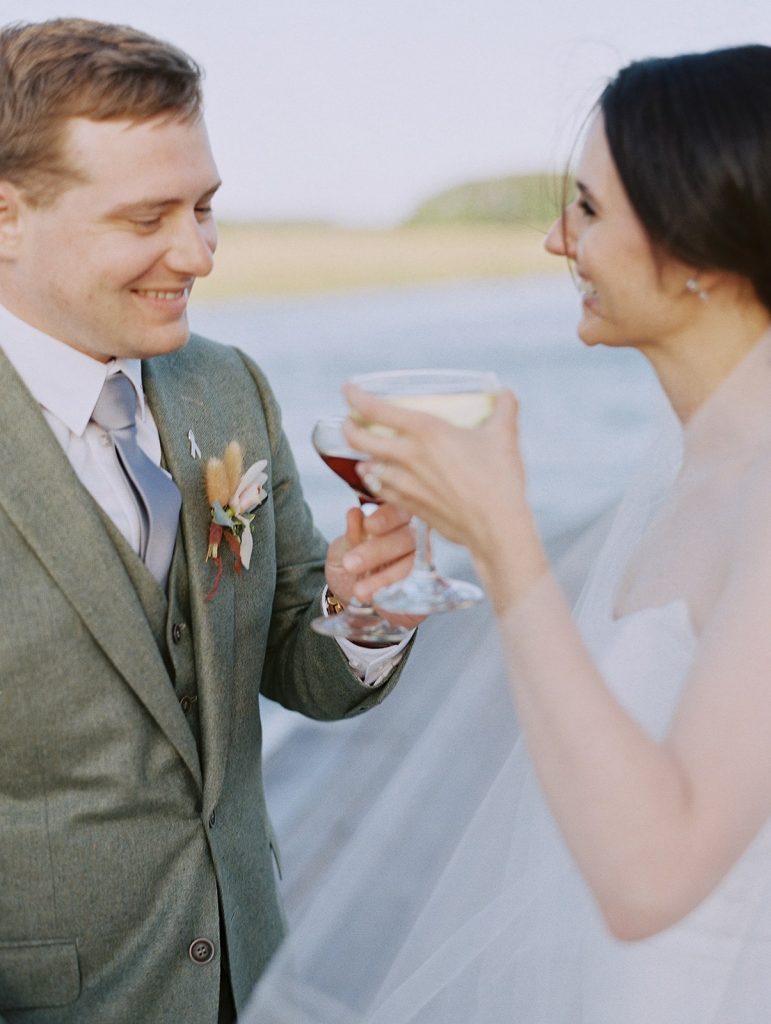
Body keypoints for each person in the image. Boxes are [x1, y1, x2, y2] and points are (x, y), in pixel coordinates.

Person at [242, 45, 771, 1022]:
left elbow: (654, 878)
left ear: (697, 247)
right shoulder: (691, 476)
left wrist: (504, 540)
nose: (555, 241)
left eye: (593, 209)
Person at [0, 18, 419, 1024]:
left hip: (249, 978)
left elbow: (294, 660)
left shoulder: (226, 386)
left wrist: (362, 610)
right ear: (6, 215)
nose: (198, 252)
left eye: (207, 206)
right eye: (148, 218)